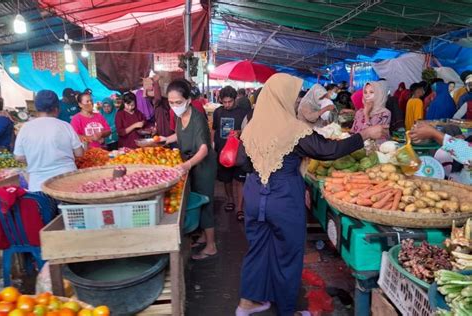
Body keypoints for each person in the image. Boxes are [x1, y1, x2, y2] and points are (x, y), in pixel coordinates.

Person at [236, 73, 387, 316]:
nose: (295, 102)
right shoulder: (292, 128)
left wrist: (265, 168)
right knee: (288, 253)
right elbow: (328, 150)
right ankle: (286, 310)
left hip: (254, 194)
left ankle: (247, 304)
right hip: (283, 196)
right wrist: (365, 135)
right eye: (293, 96)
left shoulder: (252, 125)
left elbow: (241, 163)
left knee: (258, 248)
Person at [160, 79, 217, 260]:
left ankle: (211, 246)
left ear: (188, 100)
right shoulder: (180, 116)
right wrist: (165, 139)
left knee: (205, 202)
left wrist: (186, 165)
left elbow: (204, 149)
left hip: (203, 166)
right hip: (192, 164)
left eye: (178, 102)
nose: (175, 106)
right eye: (171, 102)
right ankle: (202, 236)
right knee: (197, 199)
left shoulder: (198, 118)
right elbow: (181, 133)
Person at [14, 90, 83, 192]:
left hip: (38, 185)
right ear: (56, 109)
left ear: (37, 108)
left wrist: (37, 159)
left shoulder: (26, 128)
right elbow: (79, 153)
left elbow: (18, 157)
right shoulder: (65, 126)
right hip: (67, 182)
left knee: (43, 208)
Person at [212, 85, 250, 217]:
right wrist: (213, 145)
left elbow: (249, 131)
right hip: (223, 152)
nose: (227, 105)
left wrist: (240, 132)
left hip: (239, 153)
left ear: (235, 99)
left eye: (230, 101)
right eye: (224, 102)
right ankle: (230, 200)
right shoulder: (218, 112)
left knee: (240, 180)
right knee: (226, 179)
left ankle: (240, 208)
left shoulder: (243, 112)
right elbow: (214, 129)